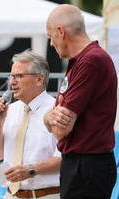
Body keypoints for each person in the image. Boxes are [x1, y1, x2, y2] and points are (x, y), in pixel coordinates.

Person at [44, 4, 117, 199]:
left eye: (50, 35)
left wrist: (51, 118)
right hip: (81, 166)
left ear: (61, 31)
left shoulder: (90, 61)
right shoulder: (82, 60)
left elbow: (60, 130)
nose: (51, 43)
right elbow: (53, 118)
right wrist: (49, 117)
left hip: (87, 167)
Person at [0, 50, 61, 199]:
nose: (12, 82)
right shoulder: (10, 110)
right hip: (12, 195)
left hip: (46, 195)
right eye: (11, 76)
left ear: (39, 79)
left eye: (19, 76)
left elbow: (66, 158)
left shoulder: (57, 111)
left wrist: (31, 170)